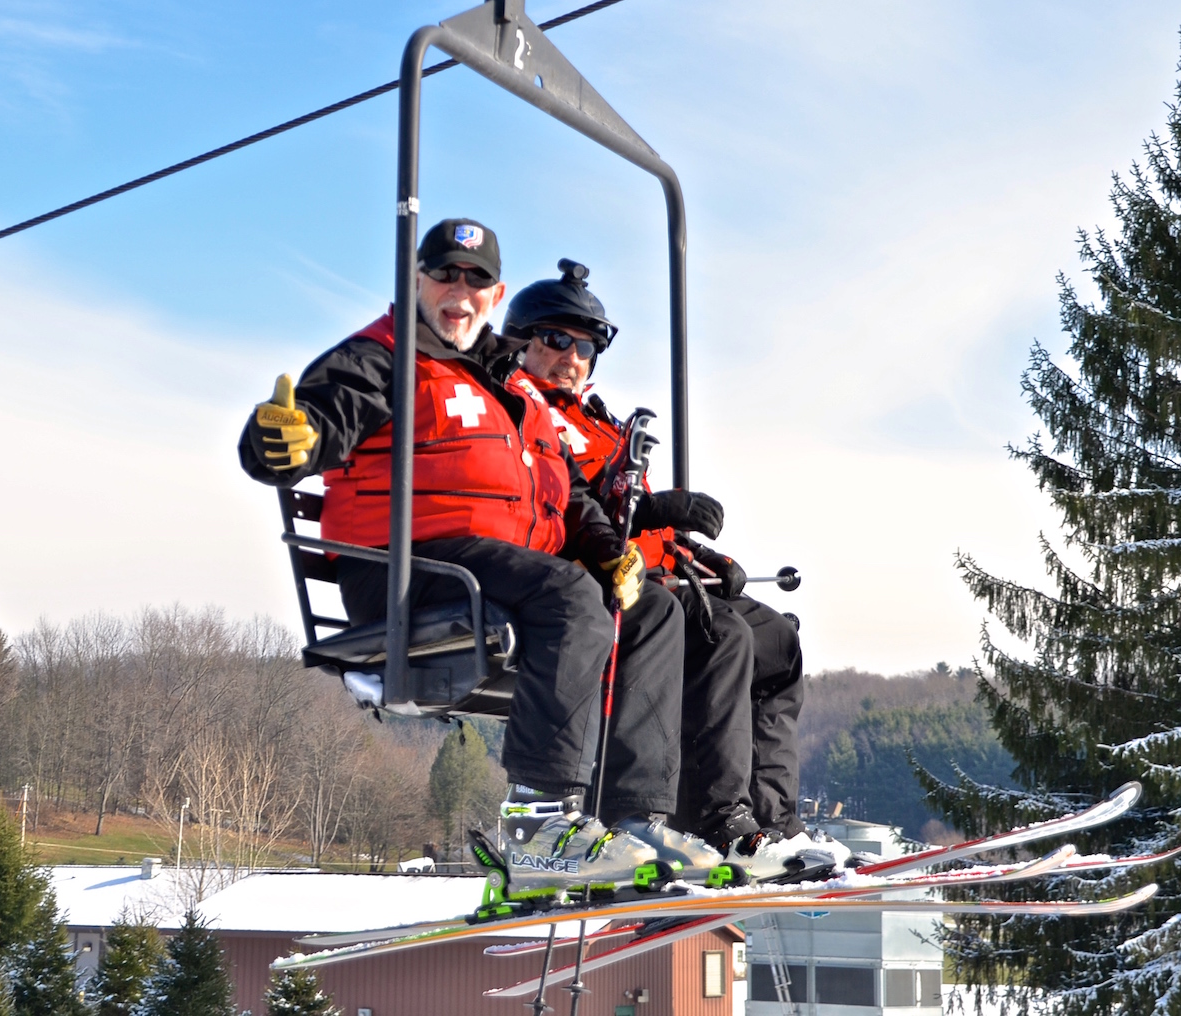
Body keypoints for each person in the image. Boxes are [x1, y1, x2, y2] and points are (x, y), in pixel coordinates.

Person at [238, 218, 699, 897]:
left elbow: (563, 488)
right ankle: (540, 825)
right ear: (417, 281)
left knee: (653, 608)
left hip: (491, 566)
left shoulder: (511, 386)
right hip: (410, 569)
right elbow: (321, 419)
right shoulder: (383, 359)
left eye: (476, 279)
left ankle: (634, 819)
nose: (460, 290)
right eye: (445, 273)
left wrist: (607, 551)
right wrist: (286, 441)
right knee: (568, 598)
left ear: (495, 294)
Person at [504, 259, 807, 866]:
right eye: (557, 339)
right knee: (721, 636)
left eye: (586, 346)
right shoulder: (521, 411)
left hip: (637, 562)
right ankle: (690, 816)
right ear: (522, 342)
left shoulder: (597, 420)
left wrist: (695, 552)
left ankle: (770, 820)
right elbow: (575, 507)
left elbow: (627, 507)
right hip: (586, 570)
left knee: (777, 641)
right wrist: (643, 528)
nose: (573, 356)